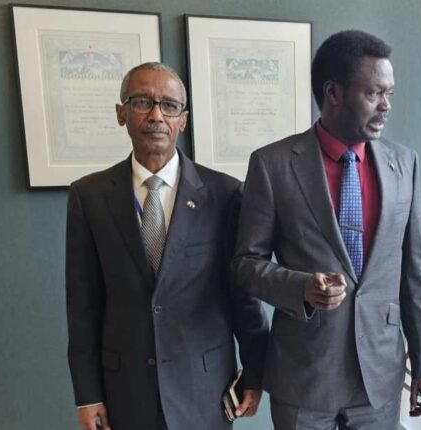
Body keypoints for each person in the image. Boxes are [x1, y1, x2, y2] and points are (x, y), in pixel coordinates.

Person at [232, 30, 421, 430]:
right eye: (374, 93)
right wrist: (301, 288)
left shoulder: (404, 164)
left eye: (389, 93)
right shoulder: (273, 165)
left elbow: (413, 273)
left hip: (378, 379)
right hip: (304, 378)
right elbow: (246, 265)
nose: (386, 106)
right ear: (333, 93)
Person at [65, 62, 269, 430]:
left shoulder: (224, 194)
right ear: (121, 113)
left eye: (169, 106)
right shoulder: (89, 196)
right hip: (125, 388)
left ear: (183, 120)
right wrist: (88, 394)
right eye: (142, 102)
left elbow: (242, 293)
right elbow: (82, 304)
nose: (156, 115)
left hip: (204, 385)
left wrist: (255, 372)